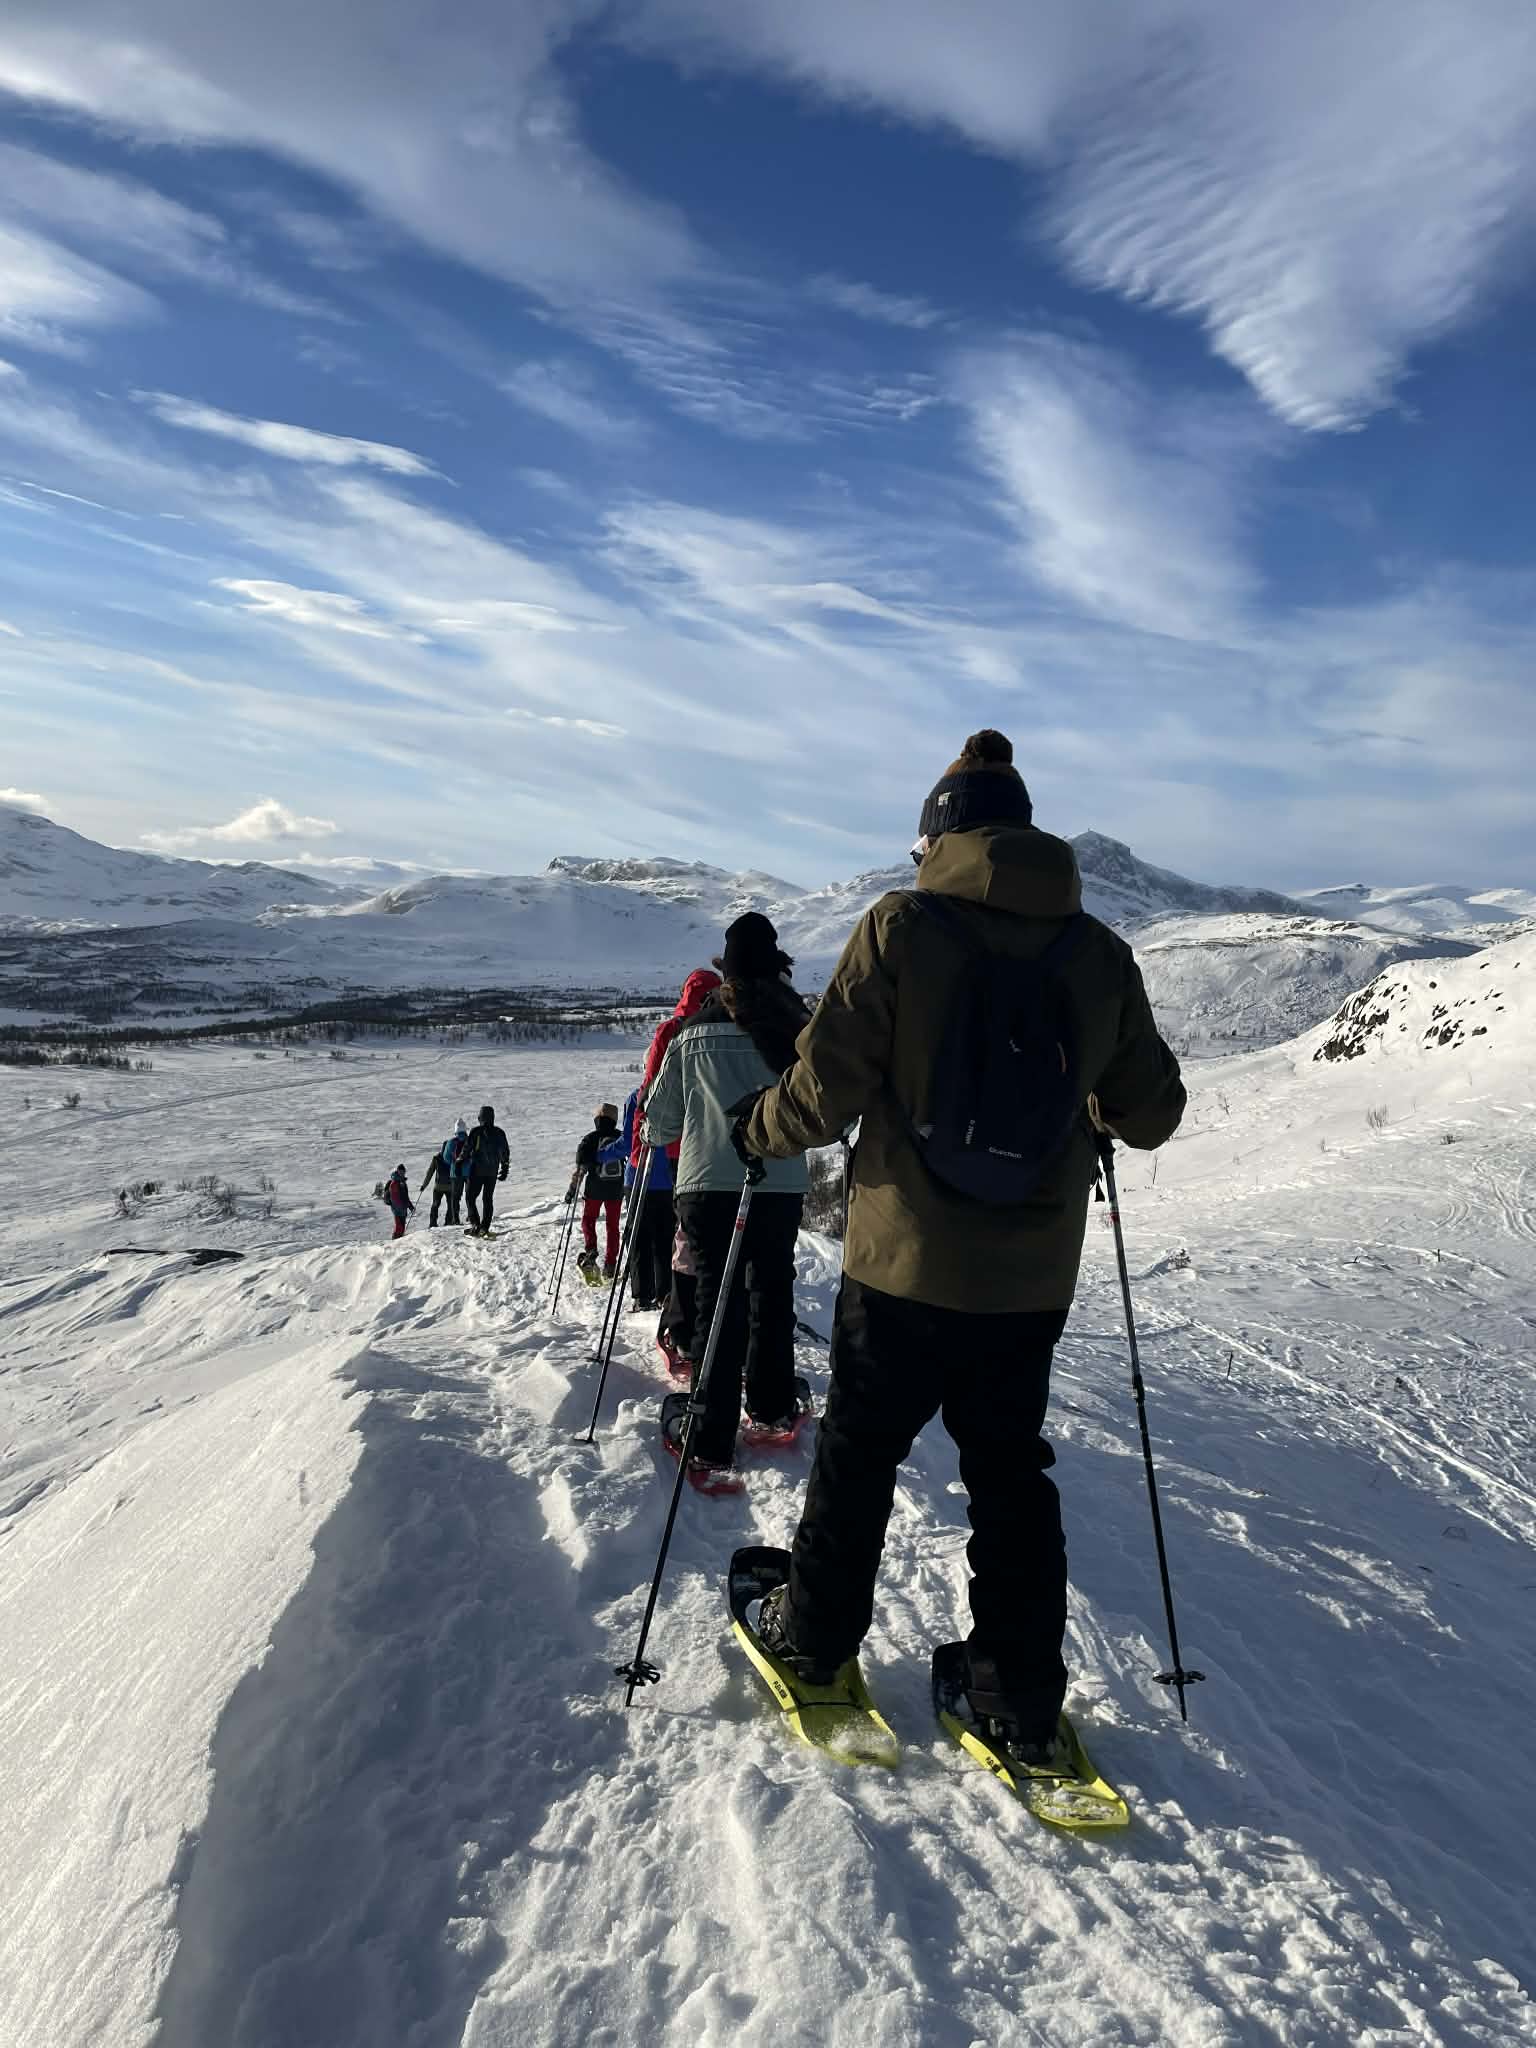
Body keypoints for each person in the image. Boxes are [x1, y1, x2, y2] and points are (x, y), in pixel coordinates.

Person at [737, 730, 1186, 1762]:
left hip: (899, 1260)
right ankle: (1018, 1695)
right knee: (1010, 1472)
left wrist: (758, 1128)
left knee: (861, 1449)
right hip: (1029, 1281)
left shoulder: (901, 925)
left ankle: (812, 1640)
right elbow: (1150, 1112)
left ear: (936, 835)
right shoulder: (1101, 952)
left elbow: (826, 1086)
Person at [643, 913, 810, 1481]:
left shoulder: (692, 1033)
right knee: (772, 1287)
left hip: (706, 1182)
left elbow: (659, 1123)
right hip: (780, 1182)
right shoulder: (798, 1029)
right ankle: (770, 1405)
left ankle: (710, 1433)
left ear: (726, 974)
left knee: (718, 1298)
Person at [641, 969, 720, 1367]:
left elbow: (652, 1086)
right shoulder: (732, 1023)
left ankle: (683, 1327)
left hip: (679, 1149)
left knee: (687, 1237)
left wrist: (644, 1134)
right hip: (725, 1144)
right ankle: (719, 1323)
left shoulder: (671, 1031)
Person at [622, 1087, 674, 1312]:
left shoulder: (636, 1097)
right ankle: (665, 1293)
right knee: (665, 1238)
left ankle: (642, 1296)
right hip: (670, 1179)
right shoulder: (678, 1090)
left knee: (639, 1236)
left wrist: (599, 1155)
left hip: (638, 1178)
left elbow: (627, 1142)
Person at [568, 1104, 627, 1279]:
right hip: (616, 1190)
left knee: (588, 1219)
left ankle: (591, 1251)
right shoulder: (621, 1137)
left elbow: (581, 1167)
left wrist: (572, 1189)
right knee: (612, 1226)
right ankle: (610, 1264)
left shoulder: (590, 1139)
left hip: (594, 1189)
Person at [463, 1104, 510, 1235]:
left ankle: (475, 1224)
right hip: (492, 1172)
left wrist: (459, 1163)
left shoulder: (476, 1131)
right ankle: (484, 1227)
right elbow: (505, 1152)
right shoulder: (500, 1133)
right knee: (487, 1199)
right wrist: (504, 1168)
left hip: (476, 1171)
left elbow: (466, 1150)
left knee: (470, 1197)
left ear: (480, 1117)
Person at [422, 1140, 457, 1227]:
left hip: (438, 1187)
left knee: (435, 1205)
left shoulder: (436, 1158)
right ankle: (448, 1222)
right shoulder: (452, 1158)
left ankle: (432, 1223)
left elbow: (430, 1173)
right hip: (450, 1187)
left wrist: (424, 1185)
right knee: (450, 1206)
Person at [383, 1164, 414, 1241]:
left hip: (402, 1209)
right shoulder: (394, 1183)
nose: (402, 1173)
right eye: (400, 1172)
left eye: (403, 1172)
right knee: (399, 1227)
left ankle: (399, 1242)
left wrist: (410, 1206)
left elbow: (405, 1197)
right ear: (397, 1171)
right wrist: (404, 1205)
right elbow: (395, 1198)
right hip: (397, 1210)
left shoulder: (402, 1182)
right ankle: (394, 1242)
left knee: (402, 1227)